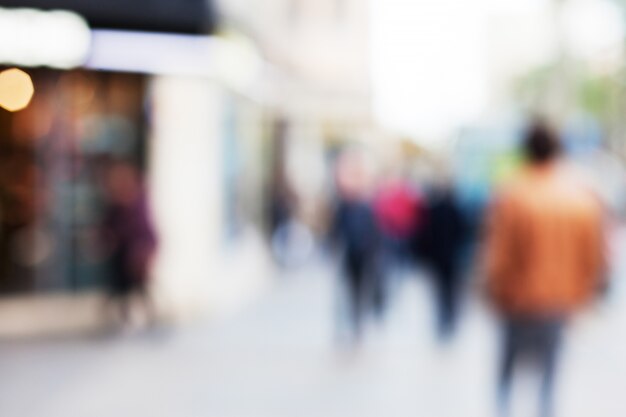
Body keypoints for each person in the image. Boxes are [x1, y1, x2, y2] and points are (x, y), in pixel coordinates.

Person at [484, 120, 606, 417]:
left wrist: (493, 292)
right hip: (560, 302)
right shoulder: (581, 196)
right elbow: (593, 257)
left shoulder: (512, 193)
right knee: (550, 374)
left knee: (508, 370)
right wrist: (584, 296)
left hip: (517, 300)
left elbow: (498, 254)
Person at [330, 149, 382, 345]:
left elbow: (375, 233)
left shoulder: (366, 208)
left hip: (363, 255)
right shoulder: (344, 207)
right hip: (350, 254)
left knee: (360, 290)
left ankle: (358, 322)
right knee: (350, 290)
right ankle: (350, 323)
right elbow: (336, 231)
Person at [102, 160, 158, 330]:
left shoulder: (136, 202)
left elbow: (143, 230)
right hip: (124, 252)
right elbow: (109, 225)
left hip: (137, 252)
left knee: (137, 287)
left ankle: (145, 316)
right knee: (123, 288)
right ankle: (124, 317)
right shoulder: (117, 204)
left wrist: (144, 252)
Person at [418, 182, 467, 340]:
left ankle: (442, 321)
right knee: (450, 291)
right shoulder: (455, 210)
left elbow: (425, 234)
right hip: (451, 257)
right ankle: (450, 320)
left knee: (440, 291)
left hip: (438, 258)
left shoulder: (434, 210)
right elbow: (462, 232)